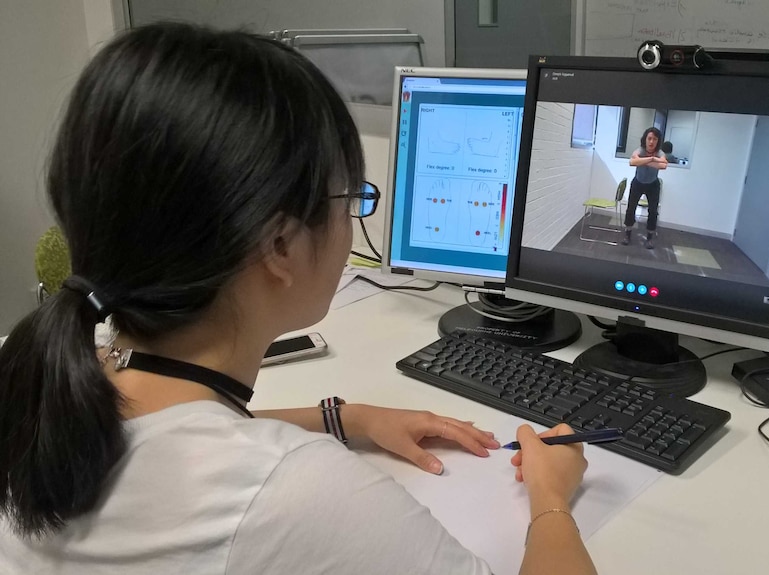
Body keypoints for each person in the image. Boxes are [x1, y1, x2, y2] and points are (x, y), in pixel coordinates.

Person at [0, 23, 597, 575]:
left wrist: (343, 418)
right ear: (281, 244)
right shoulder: (292, 493)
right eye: (349, 199)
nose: (351, 220)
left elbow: (171, 440)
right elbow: (244, 479)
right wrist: (550, 497)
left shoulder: (47, 395)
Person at [622, 127, 667, 249]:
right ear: (645, 139)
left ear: (658, 141)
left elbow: (663, 165)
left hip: (653, 185)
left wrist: (643, 161)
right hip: (638, 183)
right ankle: (627, 234)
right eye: (649, 138)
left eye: (655, 139)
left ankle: (650, 238)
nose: (651, 142)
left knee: (653, 211)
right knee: (631, 209)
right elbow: (632, 162)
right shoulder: (640, 150)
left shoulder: (659, 152)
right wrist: (652, 160)